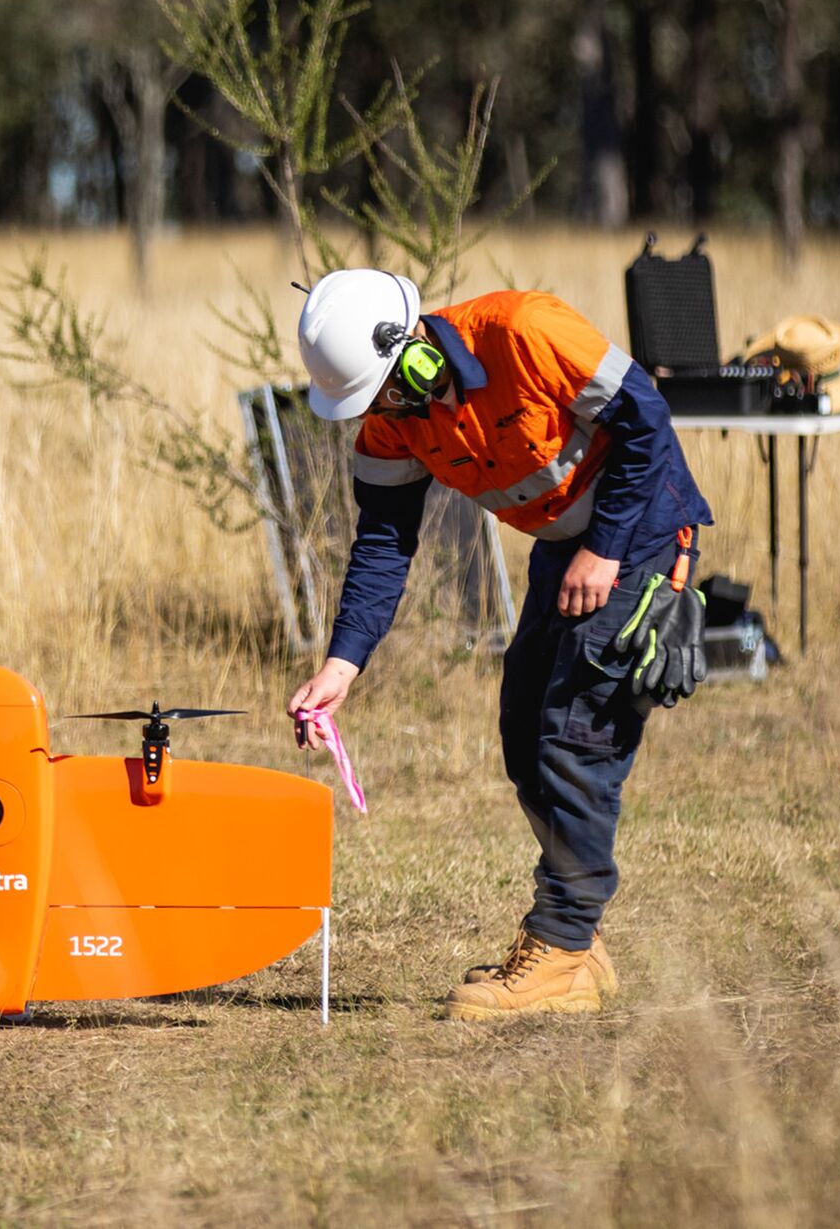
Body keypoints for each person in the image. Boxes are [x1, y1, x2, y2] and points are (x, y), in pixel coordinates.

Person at [287, 270, 712, 1020]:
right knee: (524, 731)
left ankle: (560, 944)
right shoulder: (391, 424)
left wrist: (605, 548)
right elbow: (384, 543)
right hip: (564, 544)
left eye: (385, 390)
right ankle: (577, 941)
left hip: (638, 531)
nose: (383, 412)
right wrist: (341, 663)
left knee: (573, 736)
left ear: (414, 349)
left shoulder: (527, 331)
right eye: (367, 403)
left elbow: (647, 419)